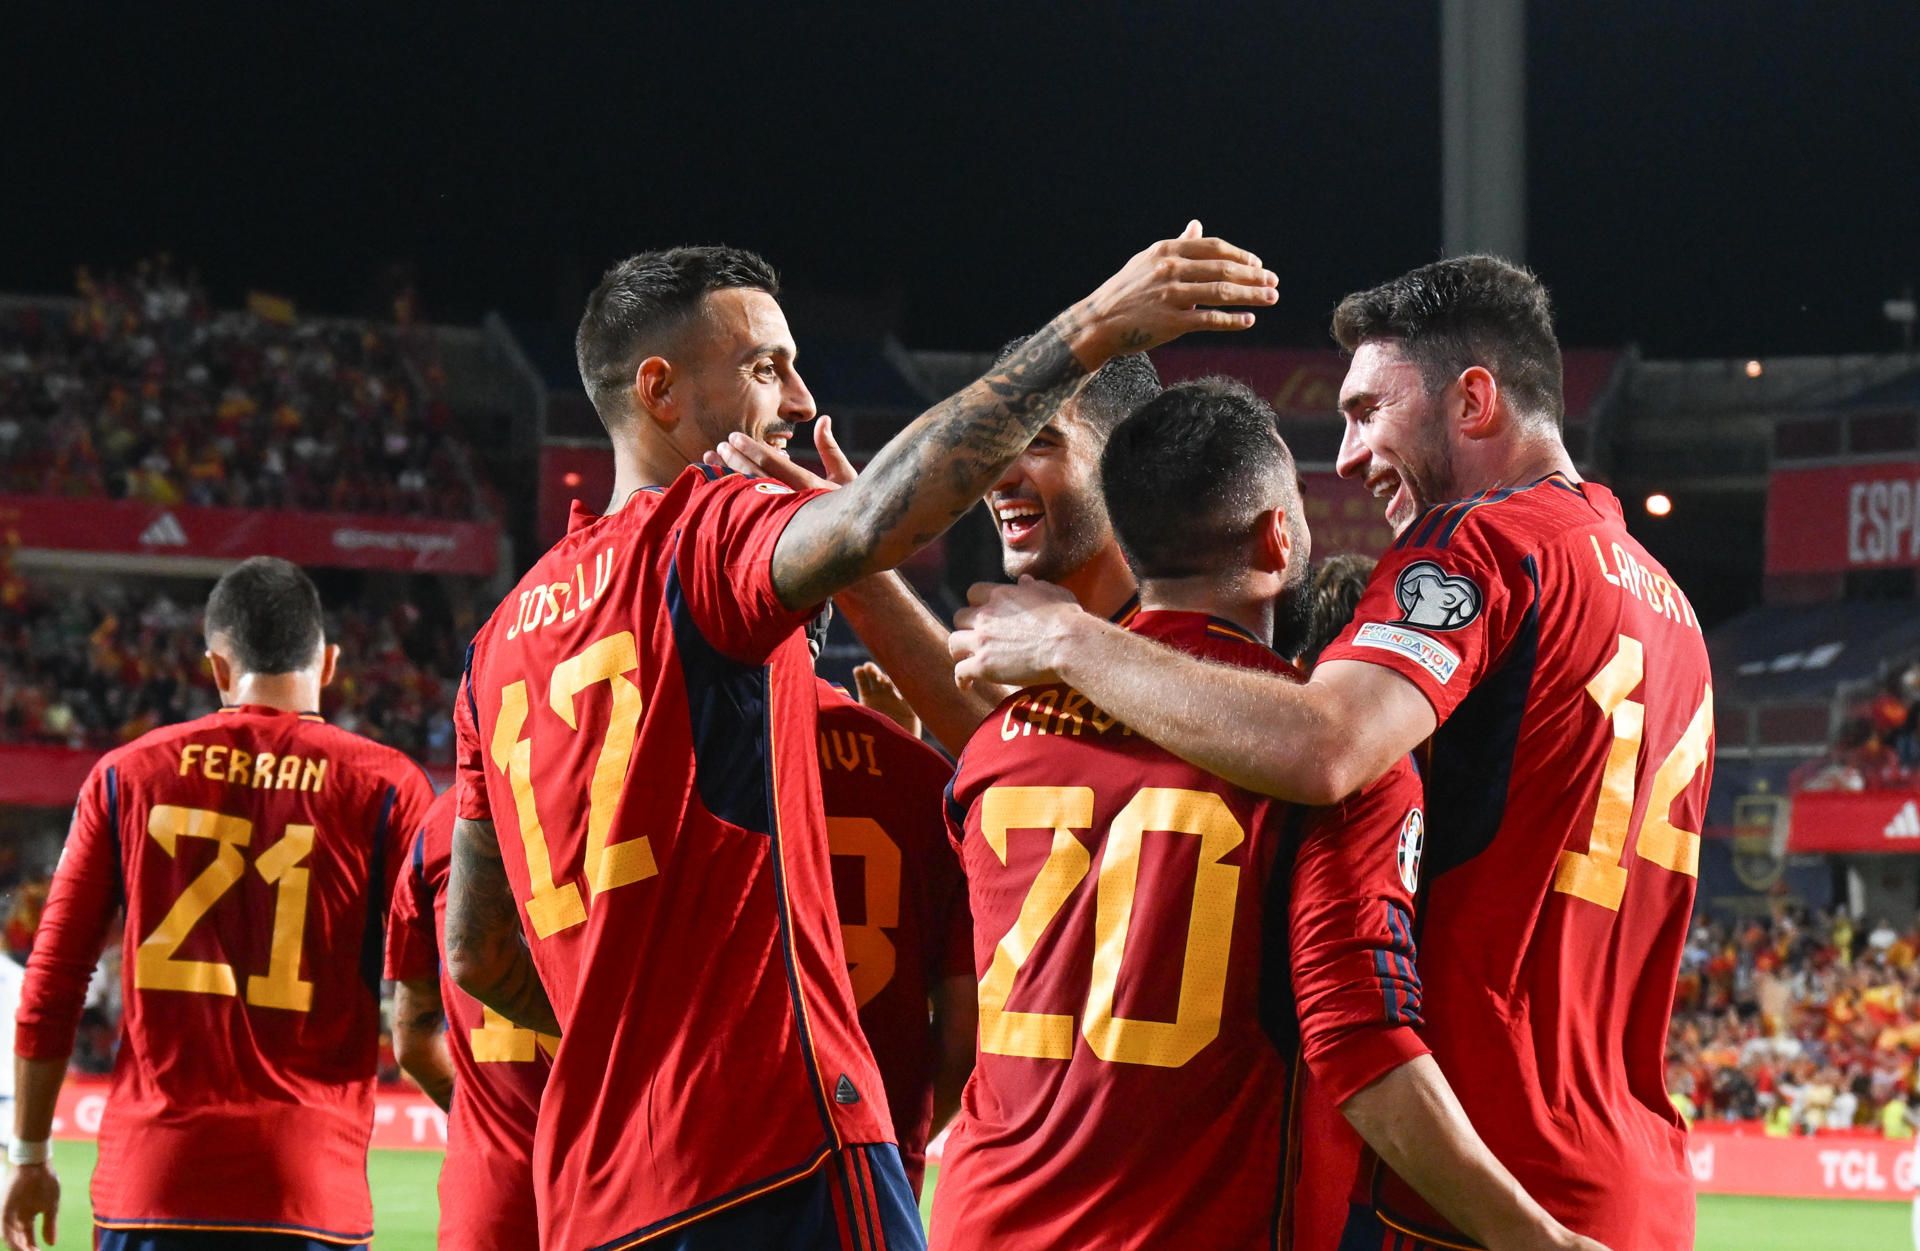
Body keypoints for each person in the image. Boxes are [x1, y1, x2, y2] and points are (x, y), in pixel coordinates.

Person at [444, 227, 1276, 1251]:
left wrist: (631, 1046)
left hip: (596, 1198)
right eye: (767, 369)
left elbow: (478, 955)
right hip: (774, 1153)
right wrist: (1095, 326)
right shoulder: (703, 527)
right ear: (661, 392)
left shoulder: (495, 646)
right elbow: (880, 513)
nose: (798, 403)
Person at [952, 256, 1709, 1250]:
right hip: (1631, 1181)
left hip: (1472, 1187)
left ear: (1474, 400)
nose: (1349, 457)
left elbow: (1328, 744)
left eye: (1367, 411)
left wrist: (1069, 639)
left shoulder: (1478, 542)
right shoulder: (1671, 608)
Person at [4, 557, 435, 1251]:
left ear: (215, 668)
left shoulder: (126, 775)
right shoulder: (387, 786)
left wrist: (27, 1156)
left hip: (153, 1184)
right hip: (309, 1190)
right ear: (327, 664)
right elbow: (451, 969)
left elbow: (51, 984)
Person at [714, 347, 1162, 754]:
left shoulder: (1205, 649)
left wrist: (849, 551)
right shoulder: (1003, 665)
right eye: (998, 445)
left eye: (1040, 442)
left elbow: (1055, 758)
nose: (999, 476)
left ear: (1125, 466)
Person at [809, 614, 972, 1197]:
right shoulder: (923, 775)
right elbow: (963, 1030)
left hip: (727, 1166)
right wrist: (905, 1125)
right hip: (878, 1157)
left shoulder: (695, 760)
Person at [388, 788, 550, 1251]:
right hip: (640, 1186)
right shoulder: (642, 784)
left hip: (492, 1197)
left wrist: (483, 1119)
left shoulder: (440, 822)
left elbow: (412, 1043)